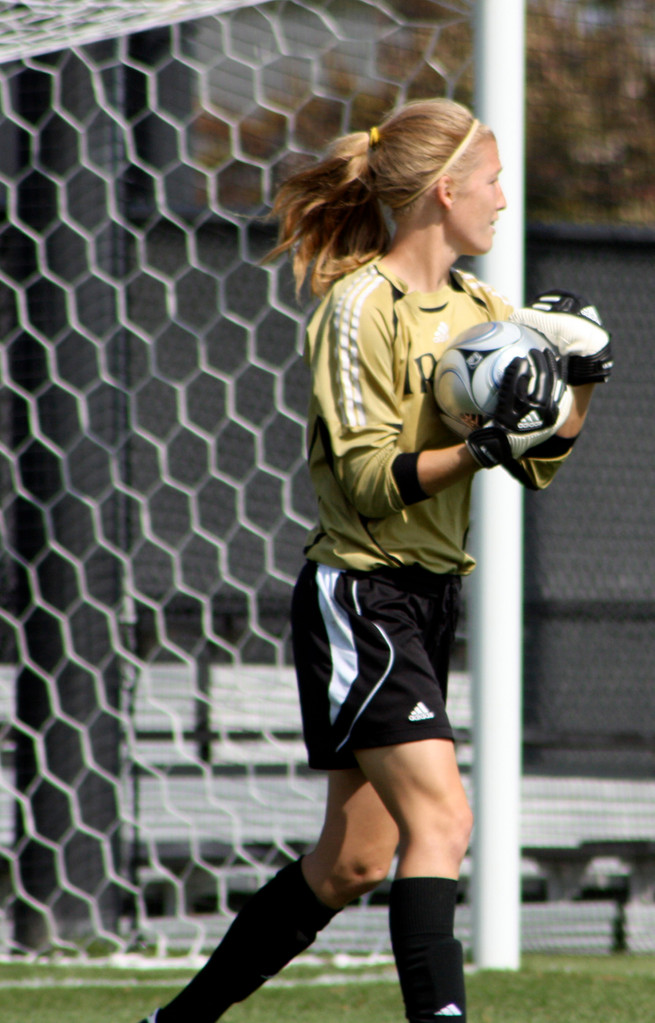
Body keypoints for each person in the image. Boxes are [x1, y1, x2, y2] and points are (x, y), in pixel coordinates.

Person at [136, 97, 611, 1023]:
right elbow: (365, 482)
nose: (504, 199)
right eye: (493, 180)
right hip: (361, 594)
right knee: (445, 823)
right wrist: (479, 447)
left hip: (428, 600)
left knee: (350, 862)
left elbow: (538, 460)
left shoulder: (481, 309)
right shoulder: (356, 308)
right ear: (444, 192)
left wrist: (577, 386)